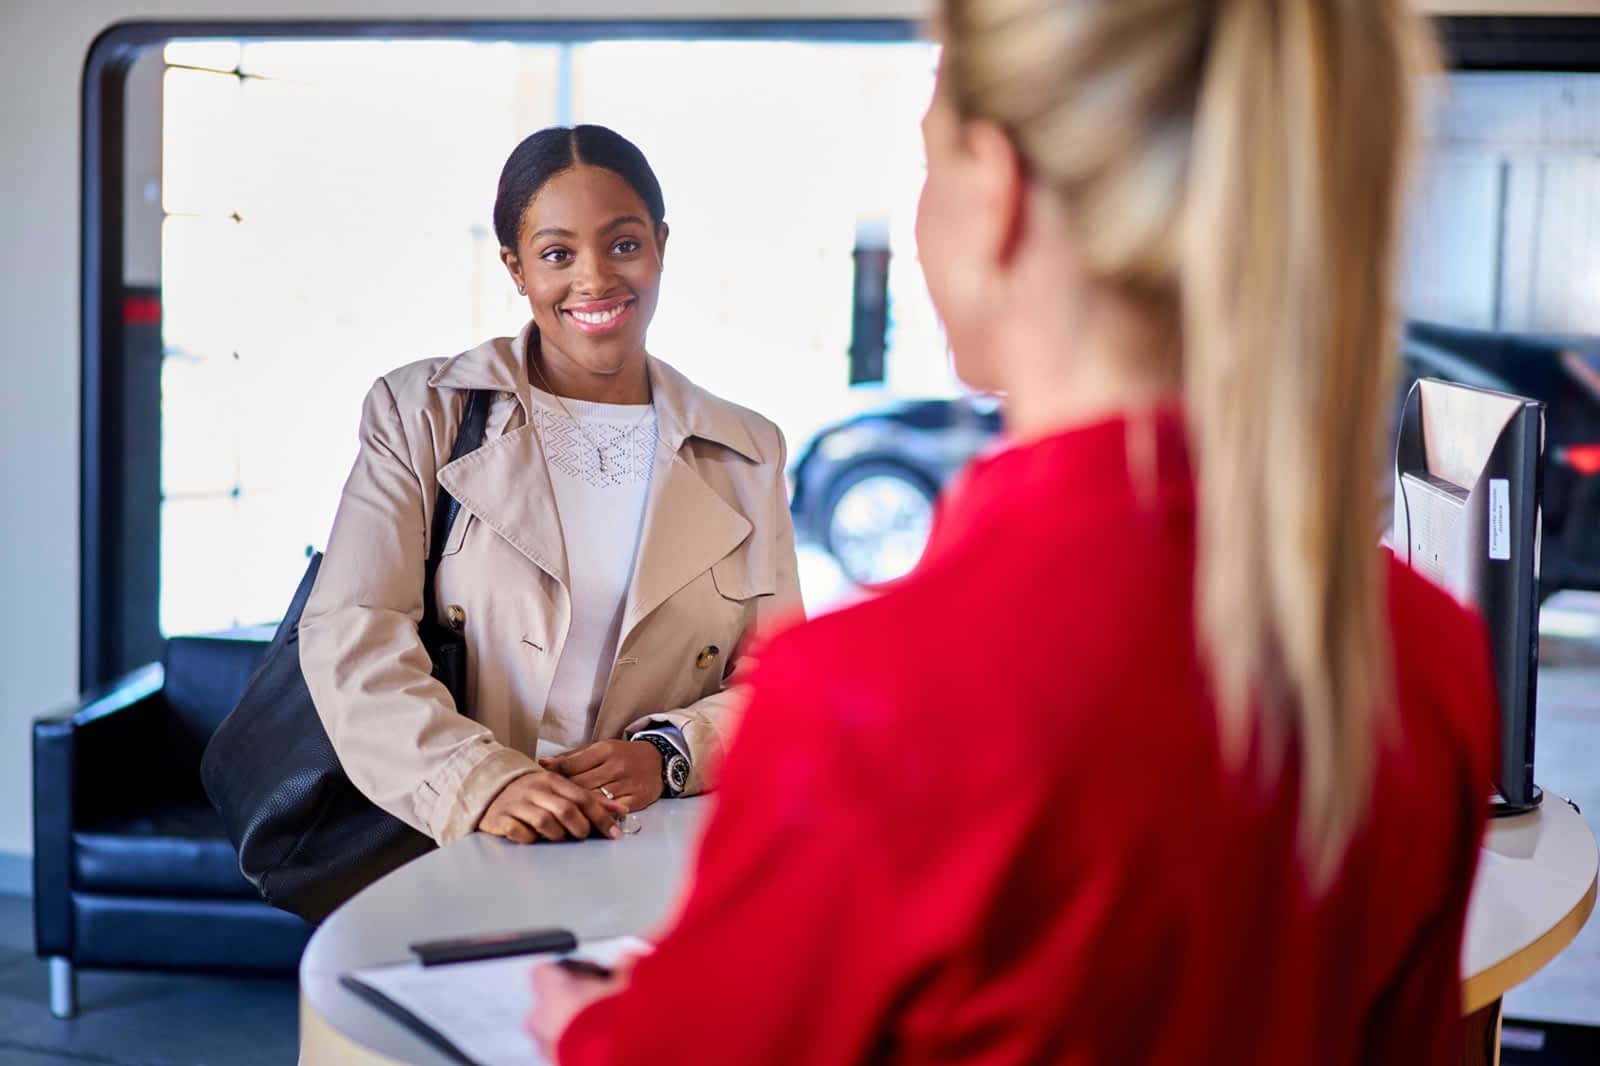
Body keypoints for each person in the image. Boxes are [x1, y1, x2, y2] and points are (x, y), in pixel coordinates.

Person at [528, 2, 1497, 1063]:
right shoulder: (1427, 656)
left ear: (995, 192)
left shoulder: (873, 704)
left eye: (929, 163)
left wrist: (590, 1028)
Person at [299, 124, 800, 847]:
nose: (595, 280)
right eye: (558, 254)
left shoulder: (747, 450)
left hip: (653, 846)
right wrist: (481, 781)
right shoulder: (422, 414)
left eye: (623, 244)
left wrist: (669, 754)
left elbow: (780, 679)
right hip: (458, 842)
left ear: (660, 245)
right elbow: (353, 633)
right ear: (516, 267)